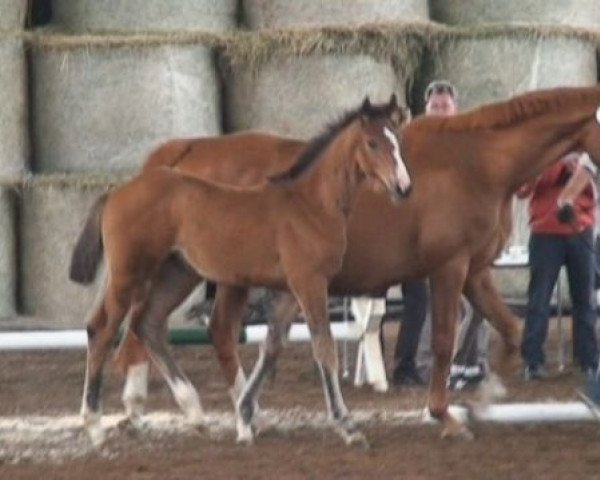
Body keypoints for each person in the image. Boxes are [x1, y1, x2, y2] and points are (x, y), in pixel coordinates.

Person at [392, 80, 489, 388]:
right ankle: (423, 364)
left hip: (461, 234)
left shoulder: (467, 144)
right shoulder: (412, 143)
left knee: (478, 300)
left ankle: (471, 363)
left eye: (444, 106)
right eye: (434, 107)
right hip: (423, 235)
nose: (439, 111)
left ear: (455, 109)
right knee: (431, 301)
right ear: (426, 109)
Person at [518, 152, 599, 380]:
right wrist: (550, 166)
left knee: (584, 299)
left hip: (580, 228)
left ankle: (589, 359)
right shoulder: (542, 147)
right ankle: (532, 361)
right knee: (539, 299)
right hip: (544, 231)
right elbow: (521, 190)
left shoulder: (588, 147)